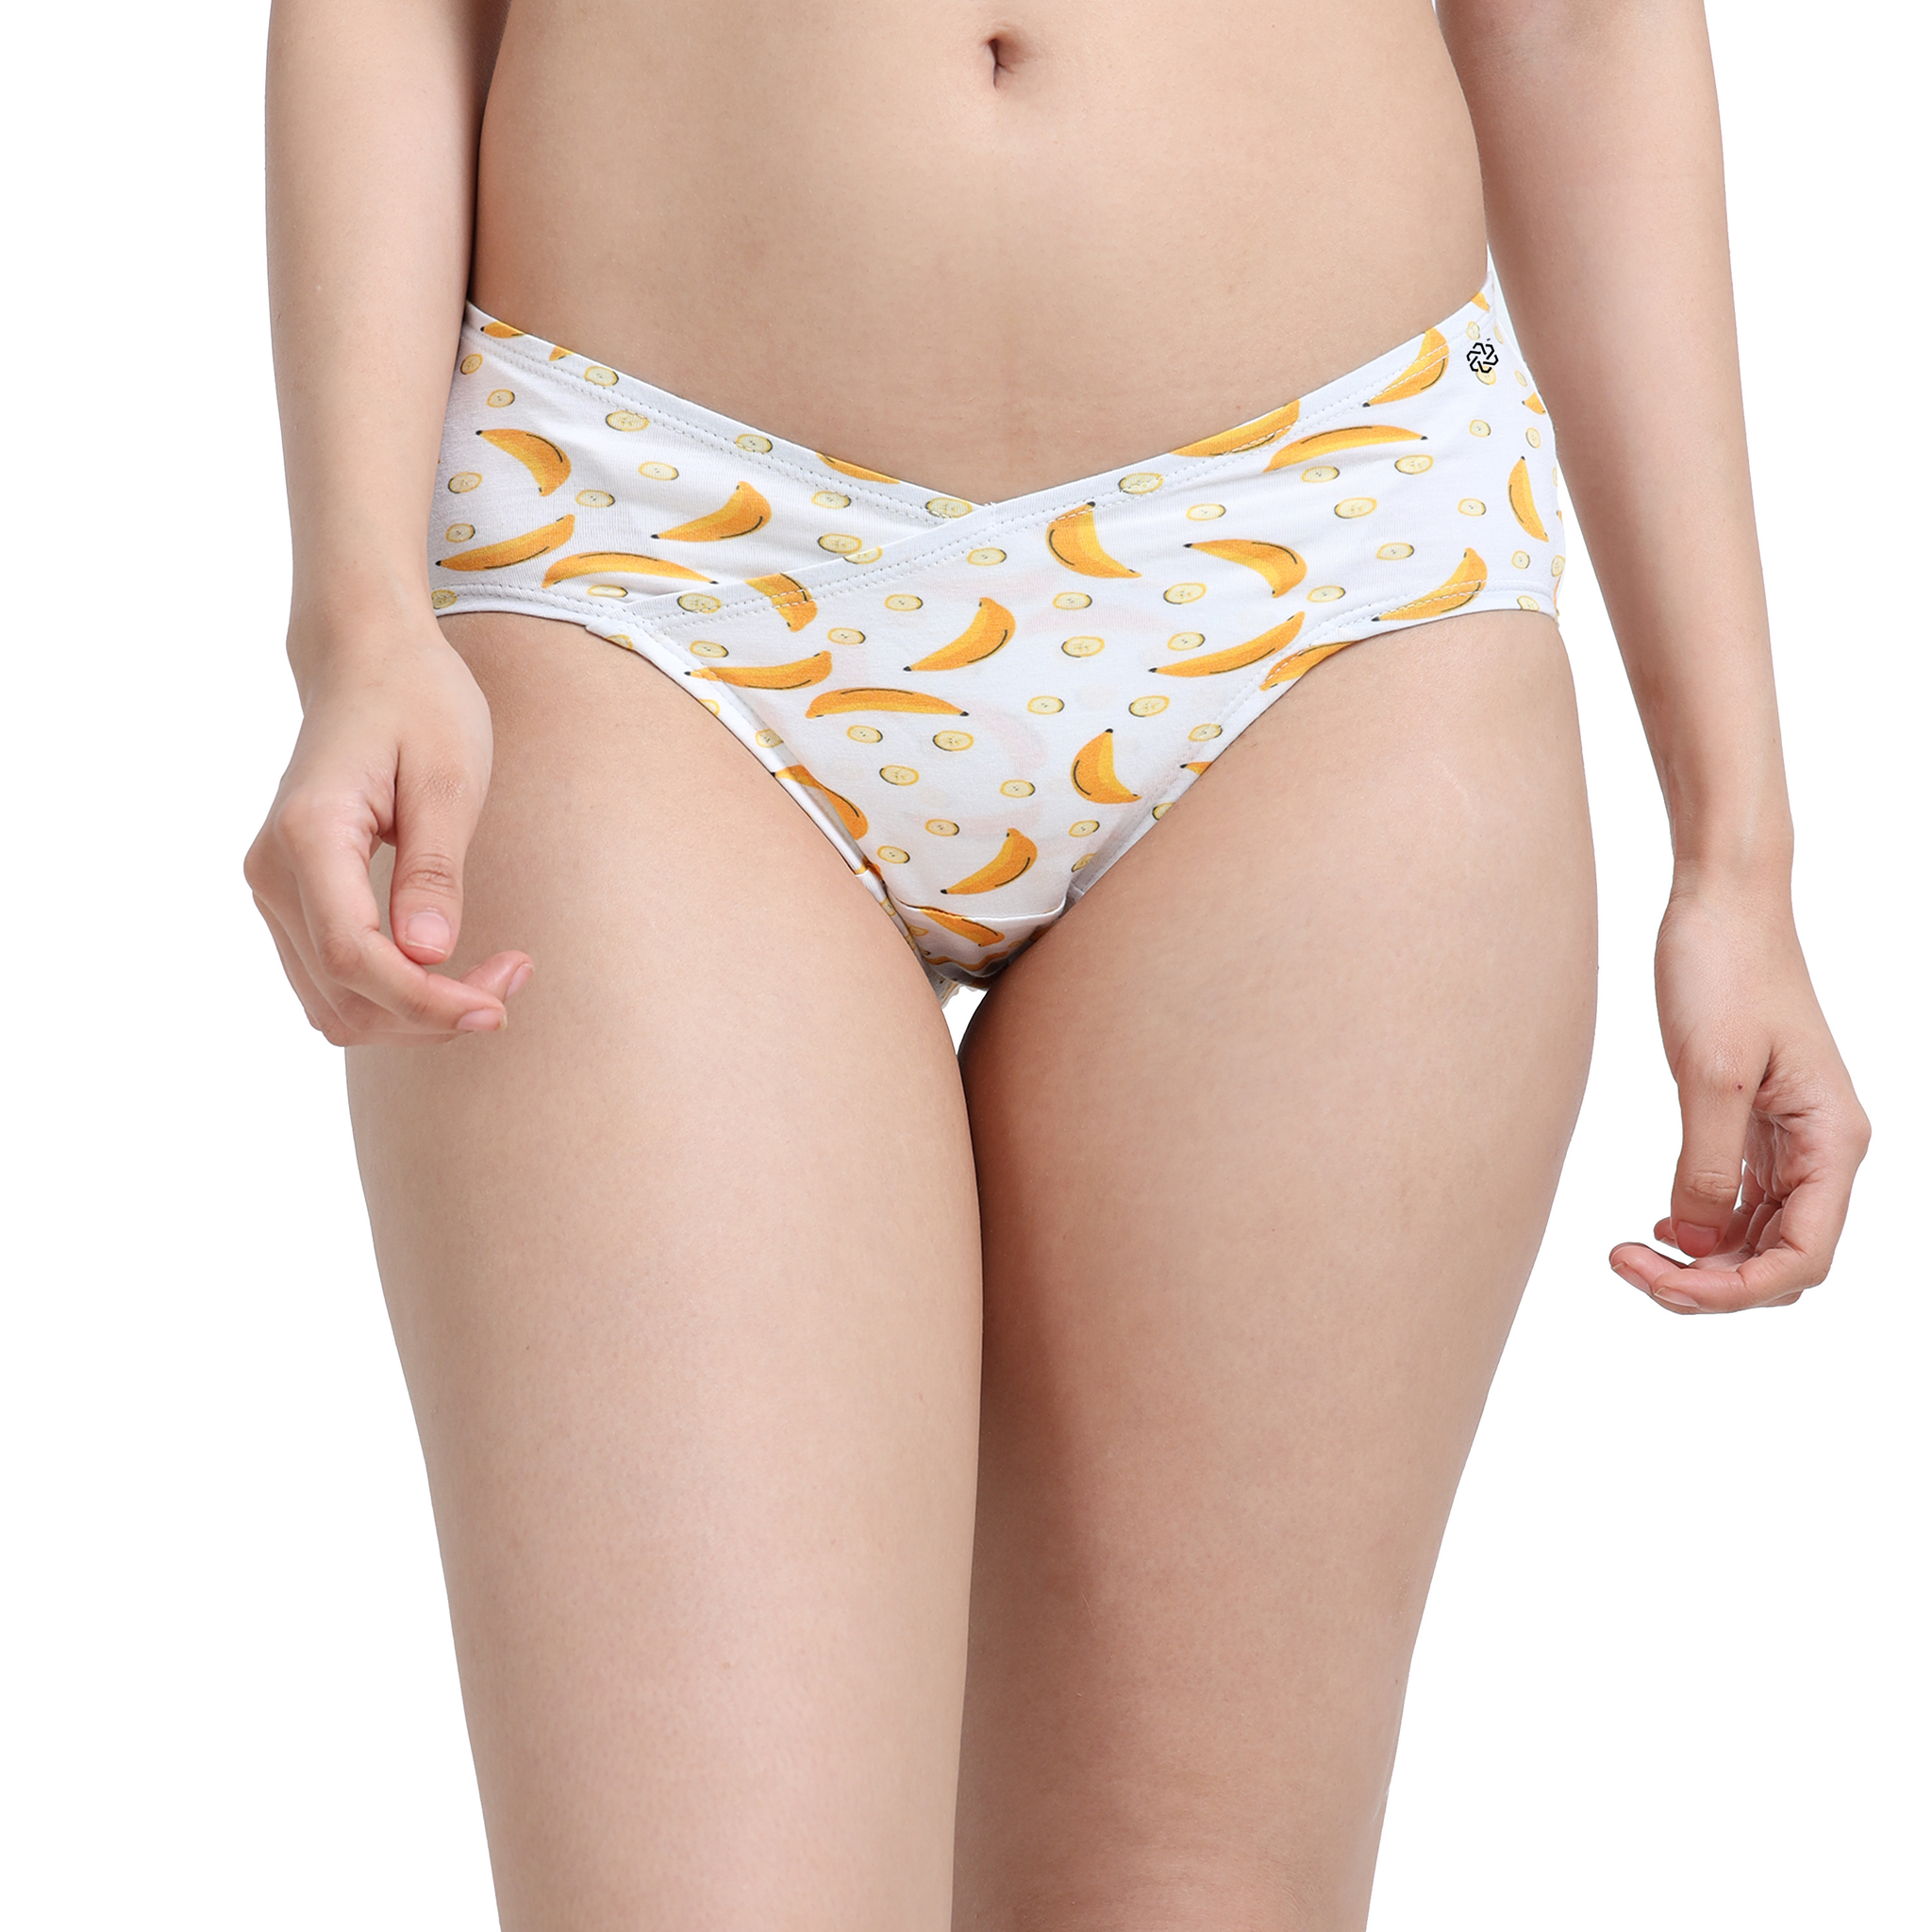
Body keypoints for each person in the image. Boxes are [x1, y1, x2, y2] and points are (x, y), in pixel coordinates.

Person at [243, 1, 1869, 1924]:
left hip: (1327, 585)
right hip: (642, 572)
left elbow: (1580, 27)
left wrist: (1738, 852)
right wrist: (357, 616)